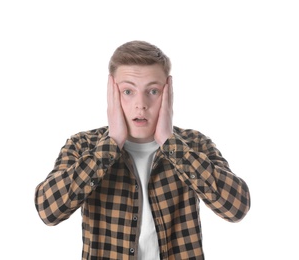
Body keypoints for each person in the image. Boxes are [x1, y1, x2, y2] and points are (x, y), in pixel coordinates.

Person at [34, 40, 250, 260]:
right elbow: (49, 211)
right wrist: (111, 144)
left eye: (153, 91)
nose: (141, 104)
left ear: (168, 93)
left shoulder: (194, 144)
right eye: (128, 91)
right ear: (112, 93)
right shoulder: (83, 145)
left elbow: (236, 208)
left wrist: (170, 142)